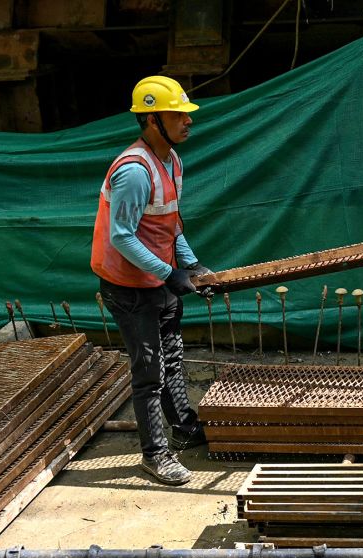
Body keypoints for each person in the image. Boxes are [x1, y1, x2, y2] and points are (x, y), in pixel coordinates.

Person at [91, 75, 211, 486]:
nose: (187, 122)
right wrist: (169, 273)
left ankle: (183, 427)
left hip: (158, 279)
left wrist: (191, 265)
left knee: (172, 357)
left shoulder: (172, 162)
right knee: (149, 370)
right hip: (128, 286)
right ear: (152, 120)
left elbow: (169, 222)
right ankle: (155, 455)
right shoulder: (134, 171)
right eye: (178, 115)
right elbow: (121, 236)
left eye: (186, 115)